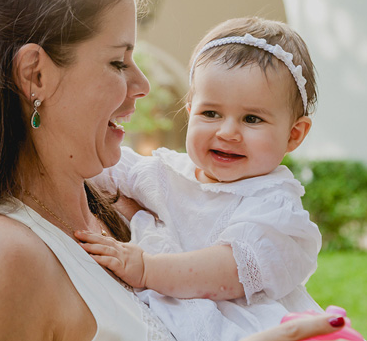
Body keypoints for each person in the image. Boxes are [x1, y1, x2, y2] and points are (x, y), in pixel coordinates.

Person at [0, 0, 347, 340]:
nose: (144, 85)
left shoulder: (127, 206)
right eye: (118, 62)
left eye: (252, 118)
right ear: (35, 75)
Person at [77, 17, 326, 341]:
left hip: (248, 329)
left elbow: (231, 269)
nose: (227, 132)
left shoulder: (274, 204)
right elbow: (98, 167)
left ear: (294, 134)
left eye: (252, 119)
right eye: (210, 113)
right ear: (190, 109)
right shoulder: (165, 172)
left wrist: (147, 269)